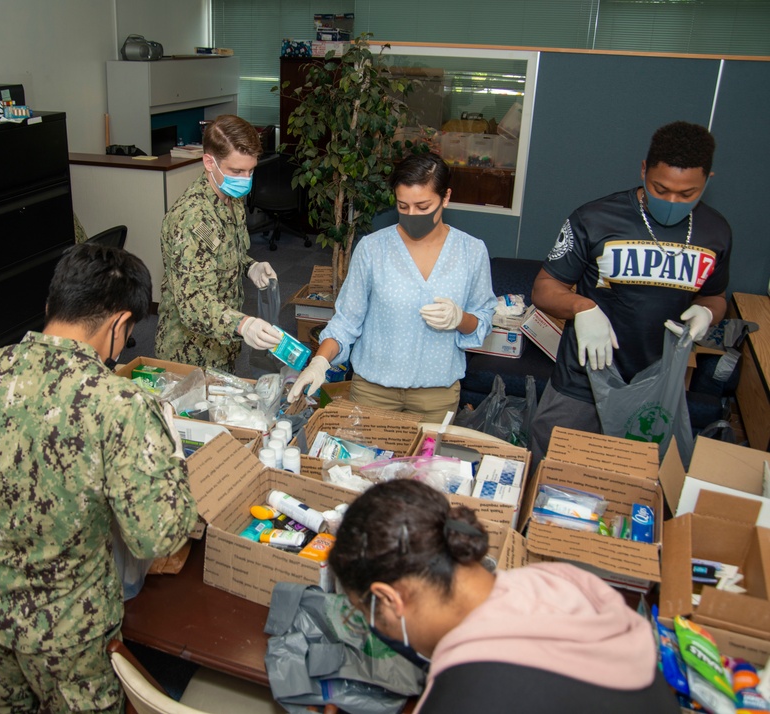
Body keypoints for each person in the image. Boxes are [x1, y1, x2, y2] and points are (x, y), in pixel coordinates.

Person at [0, 244, 197, 713]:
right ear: (119, 325)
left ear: (52, 305)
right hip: (70, 633)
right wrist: (169, 456)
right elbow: (158, 535)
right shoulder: (122, 406)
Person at [328, 480, 679, 713]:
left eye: (366, 612)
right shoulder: (558, 580)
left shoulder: (464, 698)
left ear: (389, 598)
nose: (375, 627)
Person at [529, 121, 731, 464]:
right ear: (643, 170)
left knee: (629, 485)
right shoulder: (595, 218)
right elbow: (544, 288)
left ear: (707, 182)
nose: (671, 200)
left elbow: (715, 296)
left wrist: (708, 313)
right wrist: (581, 307)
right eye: (660, 187)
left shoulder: (716, 232)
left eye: (687, 194)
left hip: (655, 387)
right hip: (584, 379)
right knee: (549, 471)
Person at [288, 152, 496, 422]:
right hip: (374, 391)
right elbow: (346, 321)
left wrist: (460, 319)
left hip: (436, 394)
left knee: (424, 464)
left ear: (445, 197)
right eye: (403, 206)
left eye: (423, 207)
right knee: (365, 460)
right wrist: (320, 362)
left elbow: (483, 320)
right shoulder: (373, 249)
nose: (412, 215)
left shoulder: (470, 251)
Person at [155, 114, 281, 371]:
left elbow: (222, 252)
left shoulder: (230, 198)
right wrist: (243, 324)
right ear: (209, 162)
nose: (246, 179)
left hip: (222, 344)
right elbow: (194, 303)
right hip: (190, 354)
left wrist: (250, 266)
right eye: (237, 171)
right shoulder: (191, 220)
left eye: (251, 170)